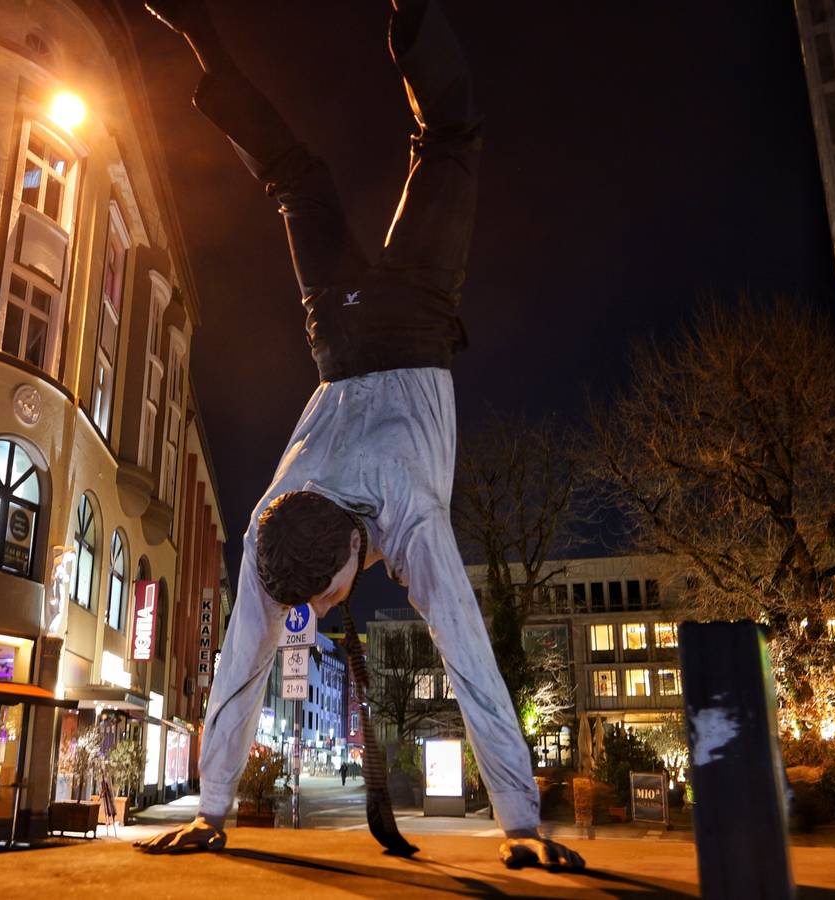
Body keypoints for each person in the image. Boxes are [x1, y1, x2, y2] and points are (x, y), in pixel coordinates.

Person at [135, 0, 584, 873]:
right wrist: (213, 809)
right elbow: (240, 674)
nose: (329, 603)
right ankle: (202, 32)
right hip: (338, 335)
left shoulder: (409, 517)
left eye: (334, 590)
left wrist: (521, 824)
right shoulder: (275, 533)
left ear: (353, 542)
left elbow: (468, 659)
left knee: (451, 140)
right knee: (295, 181)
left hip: (410, 325)